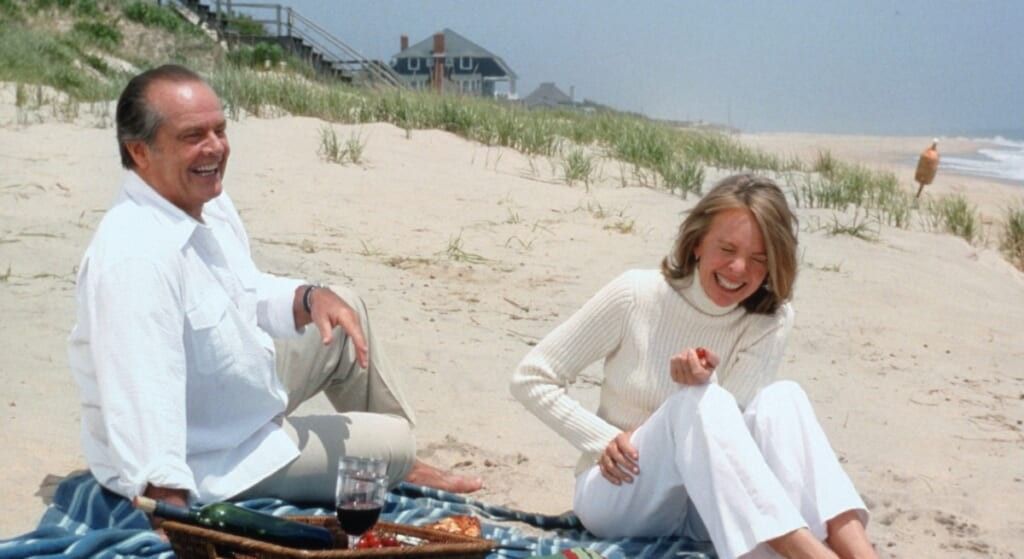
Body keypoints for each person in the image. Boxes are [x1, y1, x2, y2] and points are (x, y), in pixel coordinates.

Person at [68, 64, 481, 521]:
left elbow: (242, 291)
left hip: (232, 391)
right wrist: (168, 498)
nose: (216, 148)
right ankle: (400, 462)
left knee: (344, 310)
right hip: (216, 455)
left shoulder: (205, 202)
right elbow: (143, 388)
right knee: (394, 445)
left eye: (220, 130)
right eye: (193, 136)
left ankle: (401, 462)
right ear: (139, 152)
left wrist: (308, 298)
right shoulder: (134, 256)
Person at [511, 174, 878, 559]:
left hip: (708, 508)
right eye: (727, 249)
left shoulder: (771, 320)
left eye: (759, 258)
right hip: (621, 490)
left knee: (784, 398)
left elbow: (724, 440)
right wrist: (602, 439)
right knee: (696, 401)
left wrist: (705, 384)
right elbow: (532, 377)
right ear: (698, 242)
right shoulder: (637, 294)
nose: (738, 269)